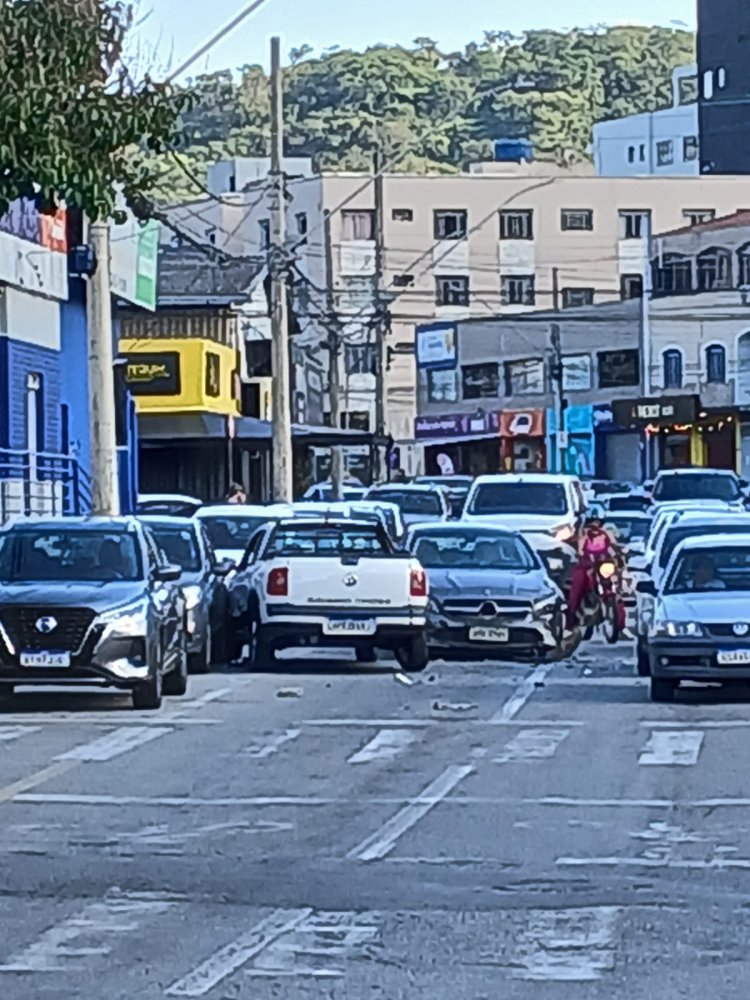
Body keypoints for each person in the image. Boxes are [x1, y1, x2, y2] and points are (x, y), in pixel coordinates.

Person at [566, 513, 620, 630]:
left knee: (618, 584)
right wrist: (581, 554)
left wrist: (620, 554)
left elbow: (614, 546)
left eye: (597, 523)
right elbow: (580, 549)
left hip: (603, 565)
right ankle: (571, 618)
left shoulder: (606, 534)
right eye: (591, 524)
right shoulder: (584, 535)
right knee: (577, 589)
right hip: (586, 566)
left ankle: (619, 621)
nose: (594, 527)